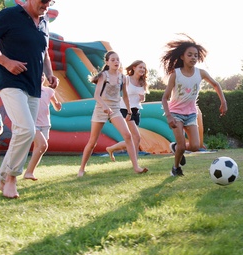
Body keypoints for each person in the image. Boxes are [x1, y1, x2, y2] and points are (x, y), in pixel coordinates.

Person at [0, 0, 59, 199]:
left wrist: (50, 73)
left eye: (50, 1)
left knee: (24, 133)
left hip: (34, 87)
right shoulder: (10, 15)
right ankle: (11, 179)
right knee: (27, 129)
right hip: (11, 82)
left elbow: (44, 52)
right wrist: (6, 62)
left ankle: (1, 178)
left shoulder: (44, 22)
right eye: (43, 0)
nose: (47, 4)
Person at [160, 34, 227, 177]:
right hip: (175, 113)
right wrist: (169, 116)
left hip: (191, 113)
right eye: (189, 55)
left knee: (196, 146)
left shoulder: (200, 73)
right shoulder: (176, 74)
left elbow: (216, 84)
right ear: (182, 57)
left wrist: (223, 101)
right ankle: (176, 168)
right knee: (182, 146)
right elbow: (164, 98)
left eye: (196, 55)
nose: (193, 58)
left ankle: (176, 147)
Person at [78, 51, 147, 177]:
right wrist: (104, 107)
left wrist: (129, 110)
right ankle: (81, 169)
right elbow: (96, 95)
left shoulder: (123, 78)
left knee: (128, 135)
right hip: (101, 108)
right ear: (107, 62)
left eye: (118, 59)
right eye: (113, 60)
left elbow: (125, 96)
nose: (116, 62)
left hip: (115, 109)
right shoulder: (104, 76)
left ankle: (136, 167)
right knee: (92, 142)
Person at [106, 60, 149, 161]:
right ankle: (135, 162)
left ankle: (111, 148)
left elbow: (141, 99)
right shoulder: (127, 79)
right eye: (140, 67)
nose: (142, 69)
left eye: (144, 68)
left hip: (135, 111)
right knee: (137, 137)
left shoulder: (143, 83)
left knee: (133, 139)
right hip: (124, 109)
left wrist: (142, 98)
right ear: (134, 68)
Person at [23, 73, 62, 180]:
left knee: (39, 148)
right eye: (38, 74)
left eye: (42, 75)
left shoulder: (49, 91)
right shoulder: (28, 90)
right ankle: (28, 172)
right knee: (42, 145)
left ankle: (29, 172)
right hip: (33, 123)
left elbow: (56, 105)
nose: (40, 77)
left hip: (45, 124)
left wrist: (58, 106)